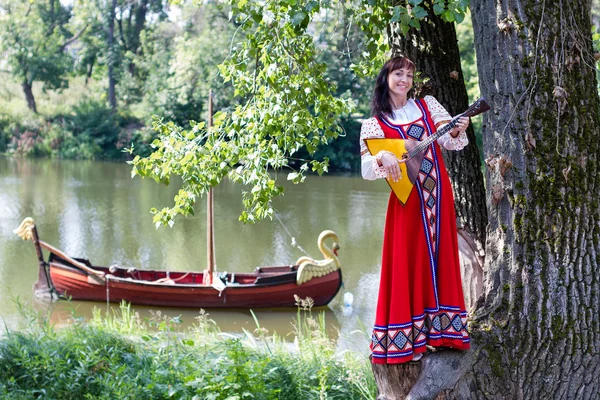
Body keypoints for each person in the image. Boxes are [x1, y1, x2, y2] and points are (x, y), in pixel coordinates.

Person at [360, 56, 471, 364]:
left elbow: (451, 142)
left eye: (409, 75)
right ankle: (407, 341)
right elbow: (367, 170)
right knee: (409, 263)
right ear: (386, 78)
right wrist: (383, 154)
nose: (404, 80)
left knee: (439, 257)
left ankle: (443, 333)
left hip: (437, 195)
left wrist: (458, 128)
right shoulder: (374, 124)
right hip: (406, 200)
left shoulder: (428, 107)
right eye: (398, 73)